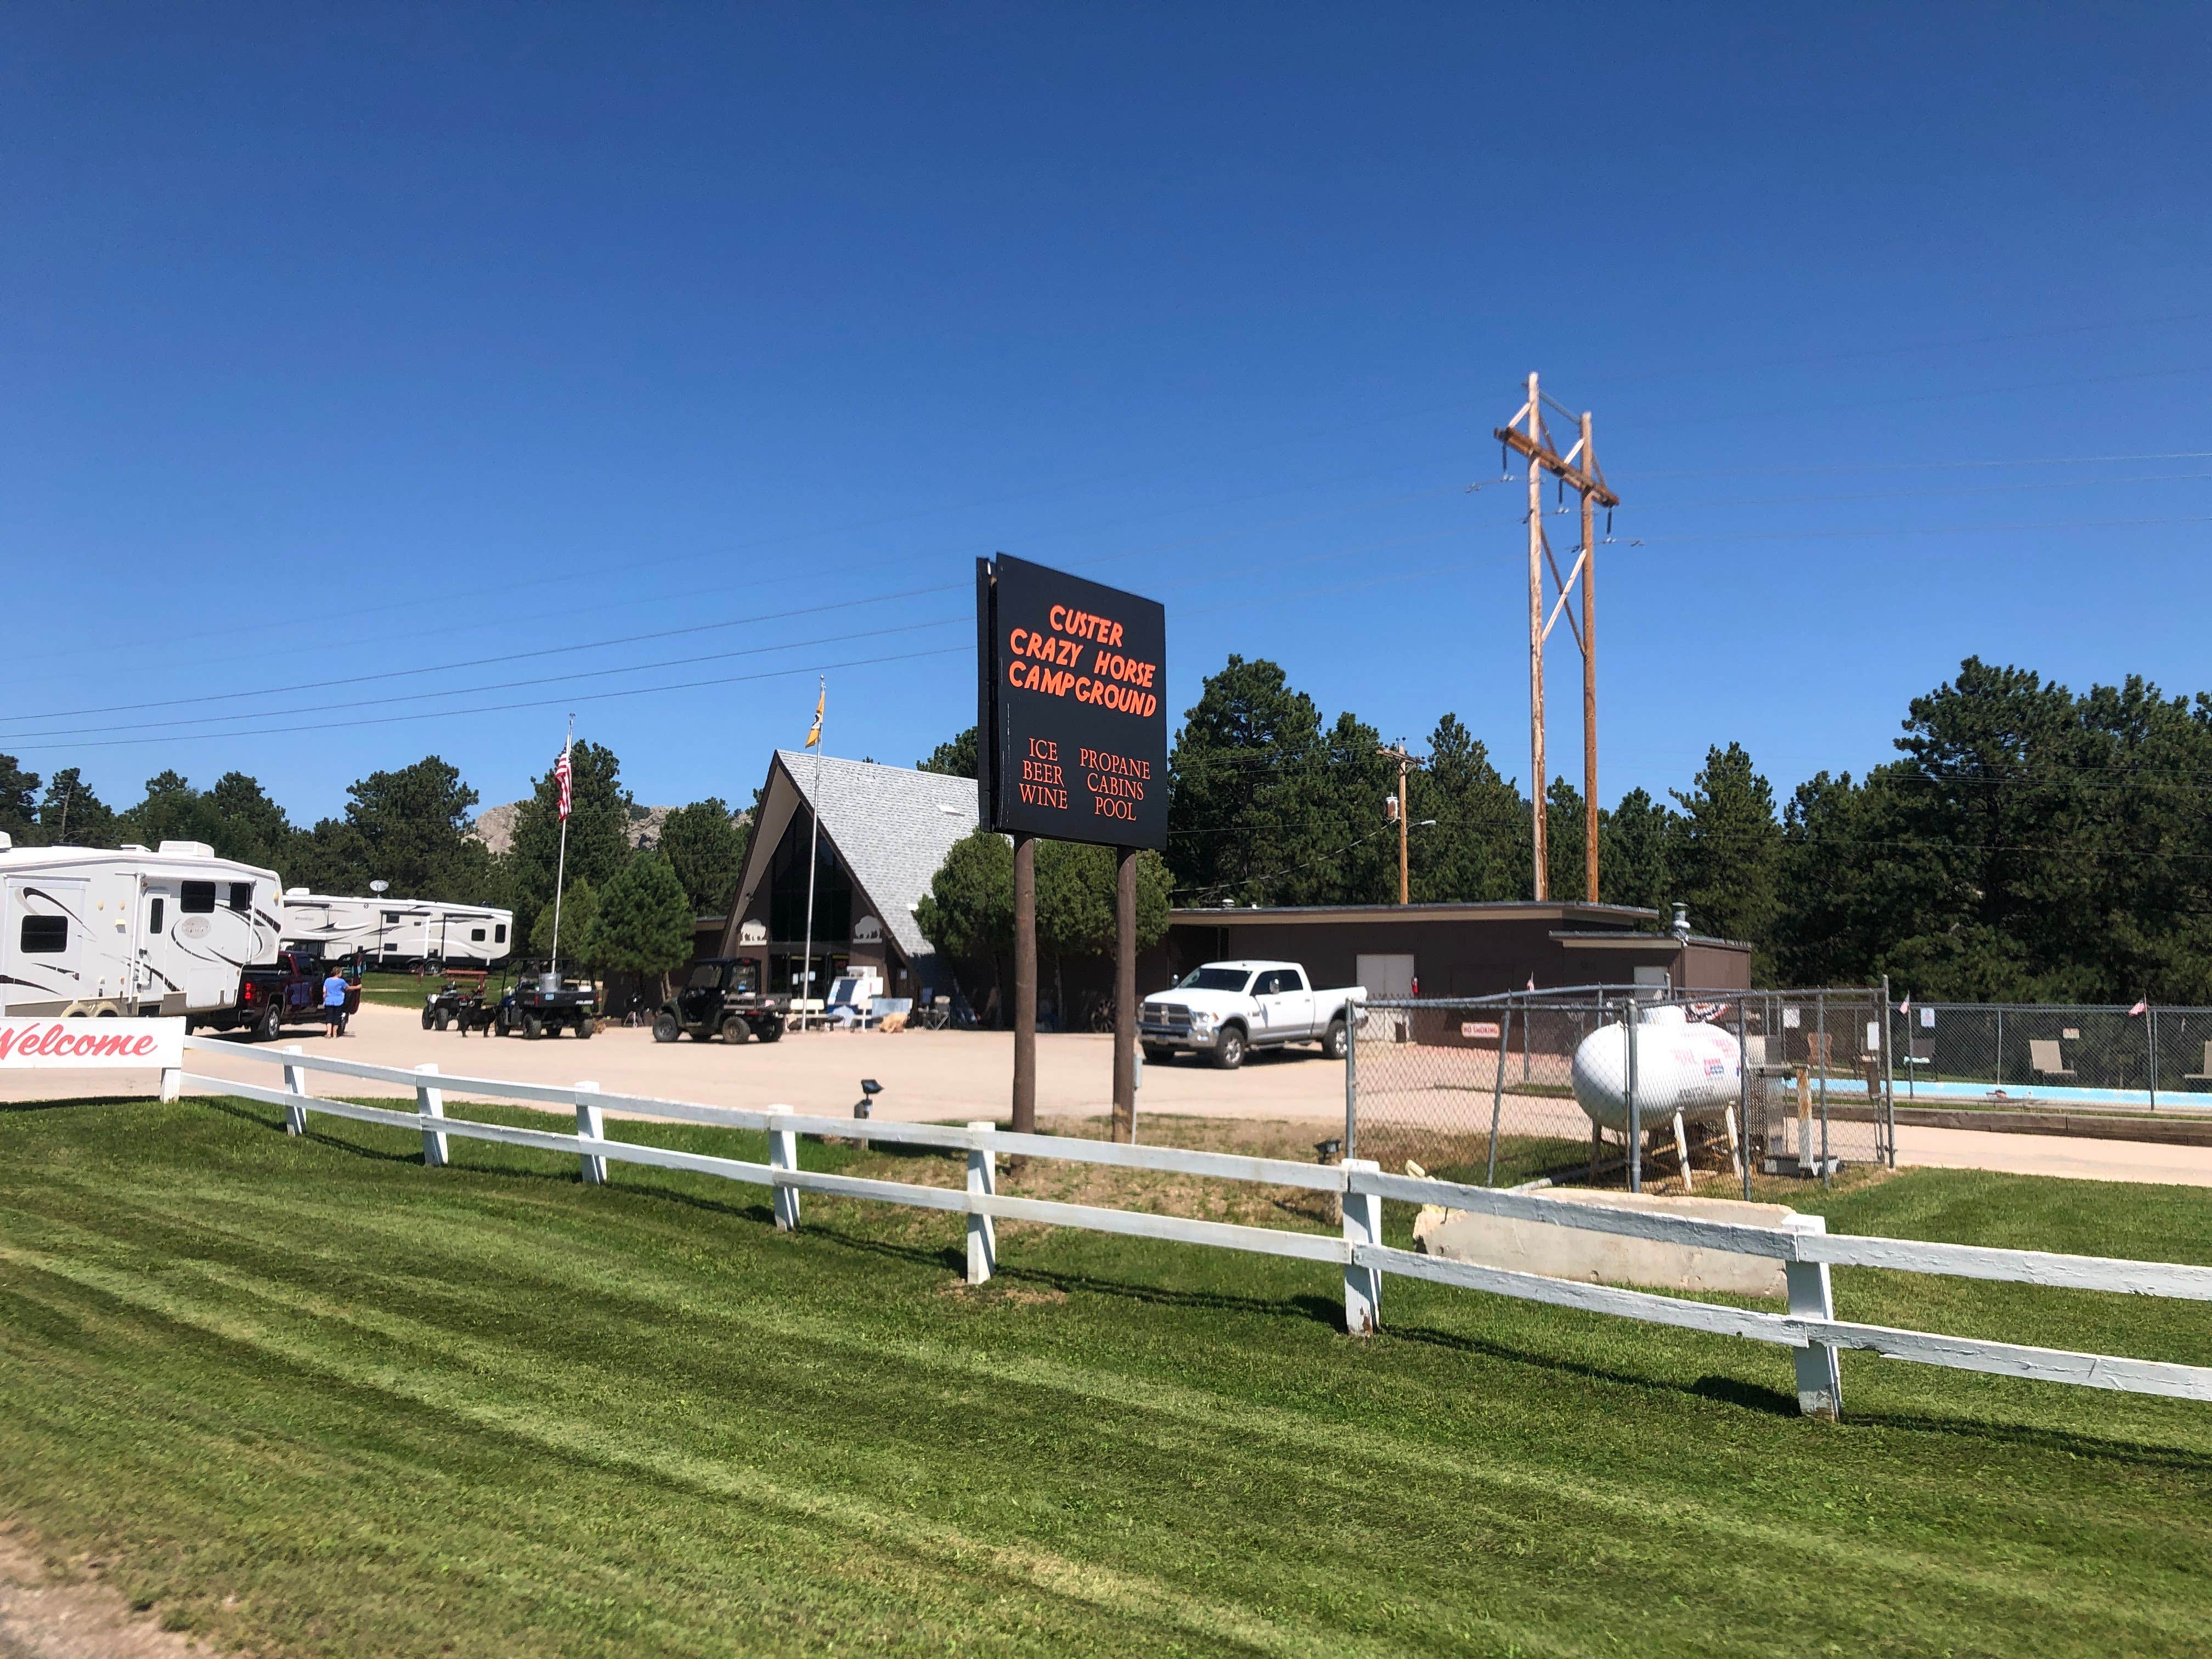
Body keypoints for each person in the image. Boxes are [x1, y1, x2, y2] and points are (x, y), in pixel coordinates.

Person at [322, 965, 351, 1037]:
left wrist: (324, 999)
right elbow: (348, 988)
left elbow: (324, 991)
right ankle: (334, 1033)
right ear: (338, 973)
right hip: (338, 1002)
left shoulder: (327, 980)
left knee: (329, 1017)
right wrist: (358, 987)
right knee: (337, 1017)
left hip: (329, 1001)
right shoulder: (341, 981)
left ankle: (328, 1033)